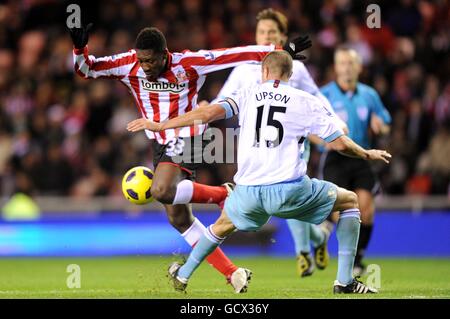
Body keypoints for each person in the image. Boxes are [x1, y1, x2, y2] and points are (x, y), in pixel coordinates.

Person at [69, 23, 311, 292]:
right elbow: (86, 69)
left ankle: (222, 194)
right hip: (160, 142)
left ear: (164, 54)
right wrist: (80, 49)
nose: (145, 66)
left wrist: (280, 50)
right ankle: (233, 273)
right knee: (178, 218)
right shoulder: (129, 64)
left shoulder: (189, 63)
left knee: (160, 189)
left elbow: (233, 54)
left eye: (150, 60)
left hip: (190, 135)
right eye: (142, 60)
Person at [127, 51, 391, 294]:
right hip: (289, 191)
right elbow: (339, 142)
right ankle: (344, 281)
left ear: (264, 72)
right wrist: (367, 153)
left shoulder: (247, 94)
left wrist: (160, 124)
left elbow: (205, 114)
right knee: (350, 202)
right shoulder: (305, 100)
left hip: (249, 193)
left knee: (220, 226)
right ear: (289, 75)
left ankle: (183, 274)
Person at [207, 8, 348, 277]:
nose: (266, 36)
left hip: (292, 144)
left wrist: (337, 124)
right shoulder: (242, 71)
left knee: (289, 189)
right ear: (255, 36)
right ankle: (318, 237)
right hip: (254, 150)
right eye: (262, 32)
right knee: (286, 204)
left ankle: (302, 252)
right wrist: (202, 112)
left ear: (282, 36)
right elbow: (220, 103)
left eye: (272, 32)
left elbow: (317, 98)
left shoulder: (297, 69)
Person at [320, 47, 391, 276]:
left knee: (367, 210)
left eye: (351, 63)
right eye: (342, 63)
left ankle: (357, 259)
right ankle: (325, 234)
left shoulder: (369, 95)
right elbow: (309, 127)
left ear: (359, 67)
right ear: (336, 67)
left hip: (362, 155)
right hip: (336, 157)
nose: (347, 67)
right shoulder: (325, 95)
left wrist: (382, 125)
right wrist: (322, 141)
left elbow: (385, 120)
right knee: (340, 210)